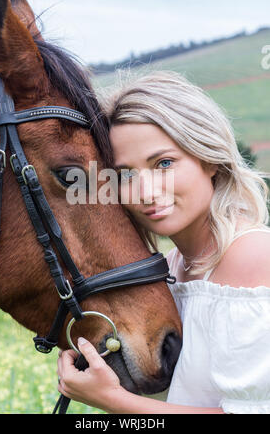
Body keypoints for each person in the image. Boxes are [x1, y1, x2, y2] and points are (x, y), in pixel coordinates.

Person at [57, 71, 270, 414]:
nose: (146, 191)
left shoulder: (254, 258)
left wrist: (112, 400)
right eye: (125, 174)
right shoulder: (169, 270)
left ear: (208, 158)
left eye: (164, 163)